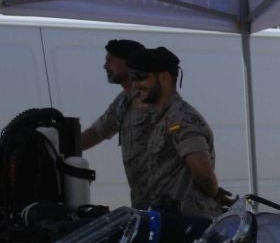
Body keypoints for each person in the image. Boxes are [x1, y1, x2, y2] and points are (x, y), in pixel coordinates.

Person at [124, 46, 224, 219]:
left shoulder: (182, 118)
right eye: (132, 78)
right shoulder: (158, 118)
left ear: (164, 78)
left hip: (187, 223)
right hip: (165, 220)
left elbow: (203, 174)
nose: (135, 85)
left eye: (141, 77)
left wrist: (216, 194)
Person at [77, 38, 155, 205]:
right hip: (143, 198)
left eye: (110, 61)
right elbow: (98, 131)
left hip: (167, 197)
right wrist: (60, 148)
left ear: (128, 63)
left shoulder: (154, 99)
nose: (105, 67)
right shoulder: (123, 101)